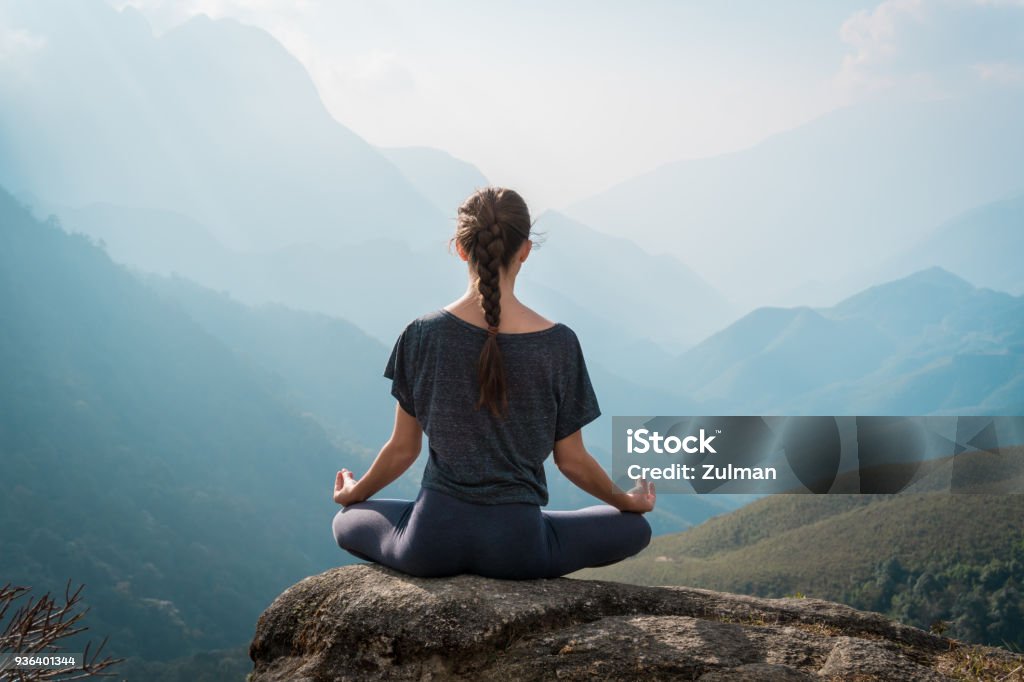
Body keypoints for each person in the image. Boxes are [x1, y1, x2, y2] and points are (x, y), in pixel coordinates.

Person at [331, 186, 655, 580]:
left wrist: (356, 491)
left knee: (346, 521)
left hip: (431, 542)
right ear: (524, 250)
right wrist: (626, 499)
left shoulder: (421, 335)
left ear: (461, 249)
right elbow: (571, 460)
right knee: (634, 528)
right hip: (519, 549)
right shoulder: (559, 344)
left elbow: (403, 449)